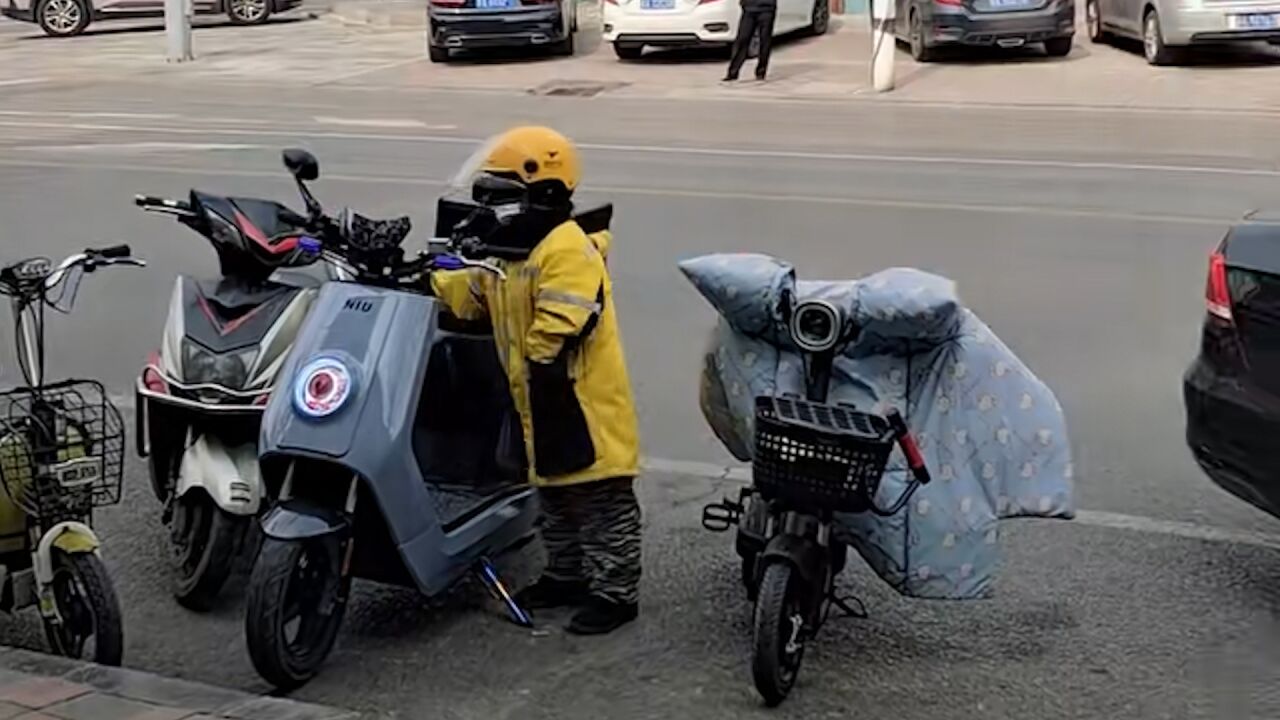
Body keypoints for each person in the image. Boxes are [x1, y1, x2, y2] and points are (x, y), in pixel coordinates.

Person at [431, 126, 643, 636]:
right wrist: (429, 278)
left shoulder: (565, 247)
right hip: (539, 397)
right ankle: (565, 575)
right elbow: (476, 294)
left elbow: (565, 315)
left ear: (544, 193)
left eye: (505, 198)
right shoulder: (514, 252)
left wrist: (534, 355)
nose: (497, 211)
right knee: (554, 497)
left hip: (578, 400)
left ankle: (616, 593)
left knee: (599, 501)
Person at [723, 0, 776, 82]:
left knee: (764, 41)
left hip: (767, 8)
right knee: (742, 39)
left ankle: (761, 71)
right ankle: (733, 72)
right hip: (749, 8)